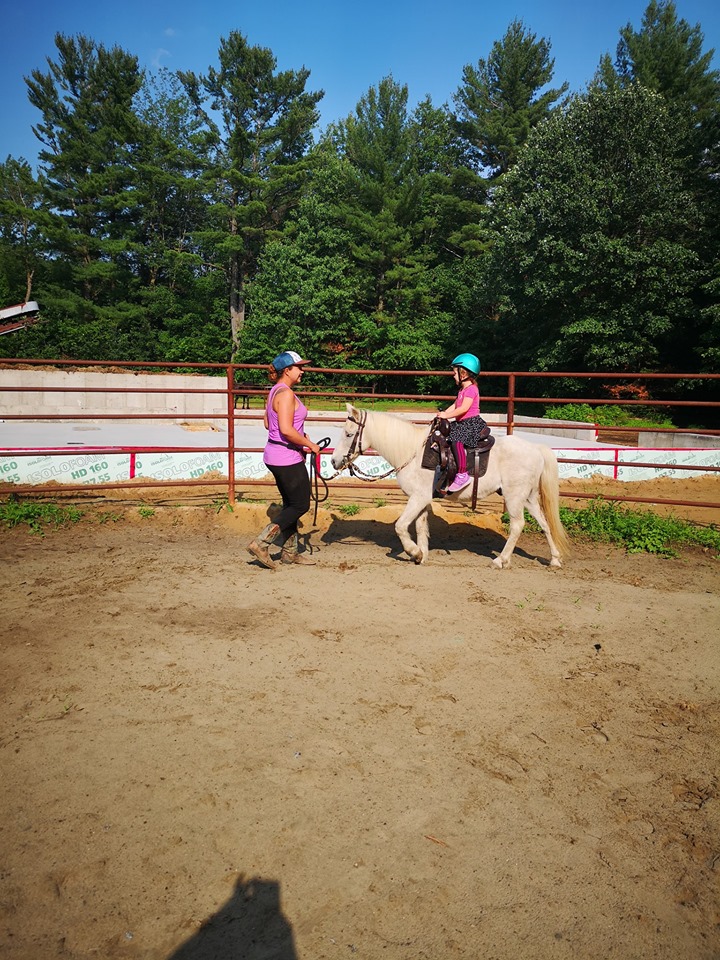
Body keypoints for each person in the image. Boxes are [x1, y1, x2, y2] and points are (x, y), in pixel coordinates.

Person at [247, 351, 321, 569]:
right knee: (300, 505)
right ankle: (261, 542)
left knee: (290, 504)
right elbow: (287, 430)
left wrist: (300, 438)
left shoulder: (274, 392)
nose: (302, 371)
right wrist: (309, 444)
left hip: (275, 454)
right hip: (286, 457)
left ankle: (289, 552)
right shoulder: (287, 394)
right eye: (299, 367)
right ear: (287, 370)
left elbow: (269, 425)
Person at [436, 352, 484, 493]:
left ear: (463, 373)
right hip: (463, 423)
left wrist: (448, 415)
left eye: (455, 372)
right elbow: (456, 405)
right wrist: (443, 414)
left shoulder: (471, 390)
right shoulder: (462, 390)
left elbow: (463, 409)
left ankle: (462, 474)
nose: (453, 375)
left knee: (457, 440)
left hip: (471, 423)